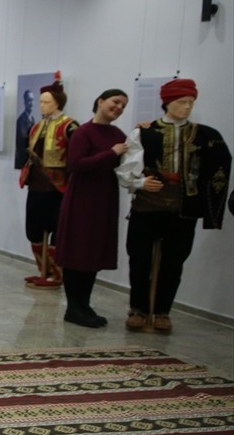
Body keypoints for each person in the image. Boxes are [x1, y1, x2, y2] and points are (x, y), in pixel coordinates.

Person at [116, 78, 230, 333]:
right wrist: (141, 182)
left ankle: (162, 311)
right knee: (140, 259)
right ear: (167, 102)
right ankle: (138, 308)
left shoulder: (206, 135)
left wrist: (209, 207)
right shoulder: (143, 132)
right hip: (147, 206)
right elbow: (127, 166)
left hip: (183, 209)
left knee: (174, 261)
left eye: (191, 102)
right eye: (181, 102)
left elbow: (218, 168)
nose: (187, 107)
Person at [55, 89, 129, 328]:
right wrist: (111, 153)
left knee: (94, 252)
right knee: (78, 252)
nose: (118, 108)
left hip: (104, 198)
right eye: (115, 102)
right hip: (82, 200)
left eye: (123, 106)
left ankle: (84, 305)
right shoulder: (83, 132)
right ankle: (74, 307)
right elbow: (76, 164)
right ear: (100, 101)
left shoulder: (118, 133)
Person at [18, 80, 77, 288]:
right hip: (36, 184)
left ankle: (55, 274)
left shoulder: (70, 126)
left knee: (56, 229)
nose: (42, 105)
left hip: (57, 187)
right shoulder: (37, 126)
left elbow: (74, 157)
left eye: (46, 102)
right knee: (34, 229)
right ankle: (42, 270)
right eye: (41, 102)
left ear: (57, 102)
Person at [15, 88, 36, 169]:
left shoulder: (32, 119)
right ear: (25, 102)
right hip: (23, 162)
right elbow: (22, 145)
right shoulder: (21, 121)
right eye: (29, 100)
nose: (31, 103)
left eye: (33, 100)